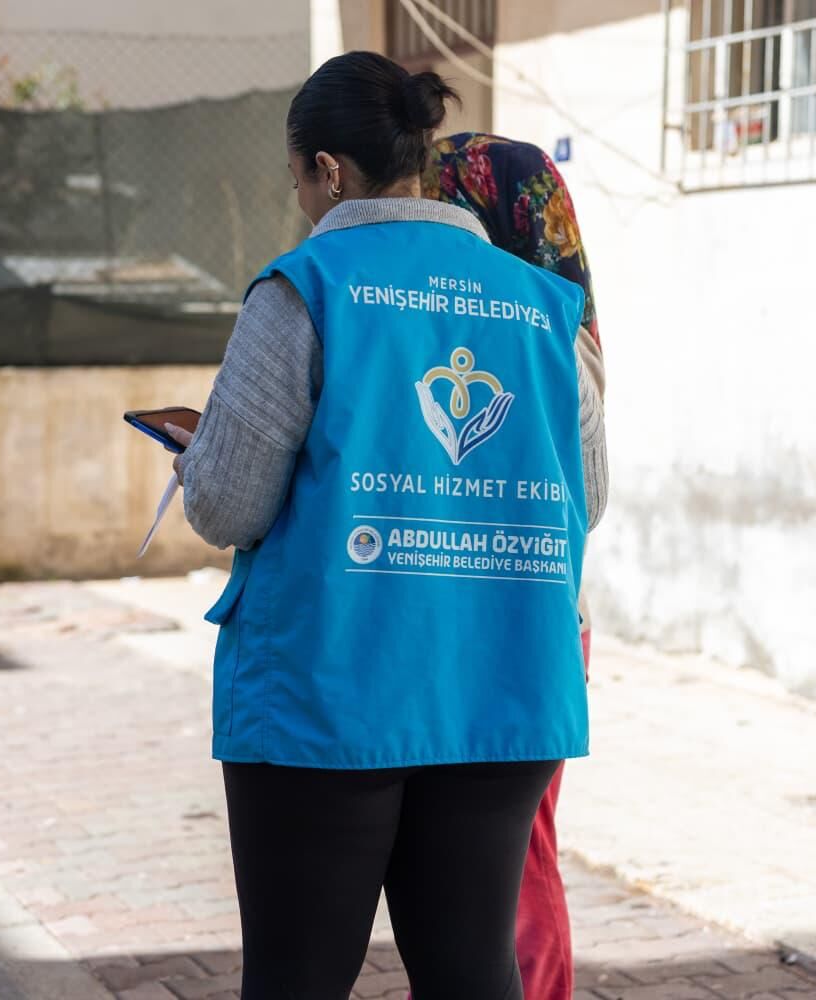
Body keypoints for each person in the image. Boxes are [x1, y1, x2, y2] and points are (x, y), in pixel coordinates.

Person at [163, 52, 608, 999]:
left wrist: (198, 459)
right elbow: (587, 496)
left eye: (296, 178)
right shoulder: (544, 306)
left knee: (298, 975)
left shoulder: (303, 288)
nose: (298, 199)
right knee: (471, 967)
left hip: (332, 698)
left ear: (327, 169)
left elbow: (227, 506)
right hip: (503, 690)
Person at [424, 134, 608, 1000]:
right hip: (540, 627)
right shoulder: (553, 326)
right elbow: (590, 499)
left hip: (489, 629)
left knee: (508, 880)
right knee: (501, 867)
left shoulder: (519, 323)